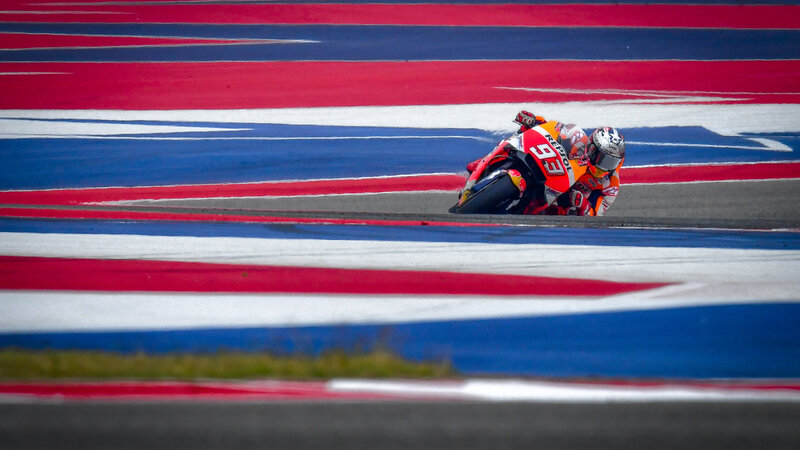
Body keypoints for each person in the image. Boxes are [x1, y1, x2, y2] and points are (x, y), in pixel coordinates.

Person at [468, 110, 625, 216]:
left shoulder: (610, 186)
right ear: (592, 147)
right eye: (602, 157)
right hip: (551, 168)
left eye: (611, 162)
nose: (603, 165)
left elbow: (596, 215)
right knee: (521, 133)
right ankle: (484, 164)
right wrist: (535, 121)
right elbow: (557, 131)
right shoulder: (580, 141)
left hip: (561, 204)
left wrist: (582, 204)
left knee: (550, 215)